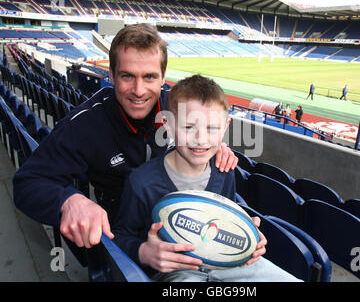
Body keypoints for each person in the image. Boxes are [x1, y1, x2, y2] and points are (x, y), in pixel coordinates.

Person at [13, 23, 237, 249]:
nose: (139, 90)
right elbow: (27, 183)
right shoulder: (85, 125)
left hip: (189, 233)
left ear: (163, 77)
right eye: (127, 76)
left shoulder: (180, 106)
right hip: (121, 244)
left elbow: (209, 127)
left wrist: (212, 148)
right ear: (110, 75)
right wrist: (68, 200)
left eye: (149, 77)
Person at [112, 74, 301, 282]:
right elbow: (119, 238)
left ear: (225, 127)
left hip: (226, 263)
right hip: (176, 269)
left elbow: (225, 220)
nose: (200, 139)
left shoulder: (224, 171)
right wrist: (144, 252)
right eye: (188, 127)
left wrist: (249, 238)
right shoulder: (141, 182)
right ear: (167, 124)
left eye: (211, 128)